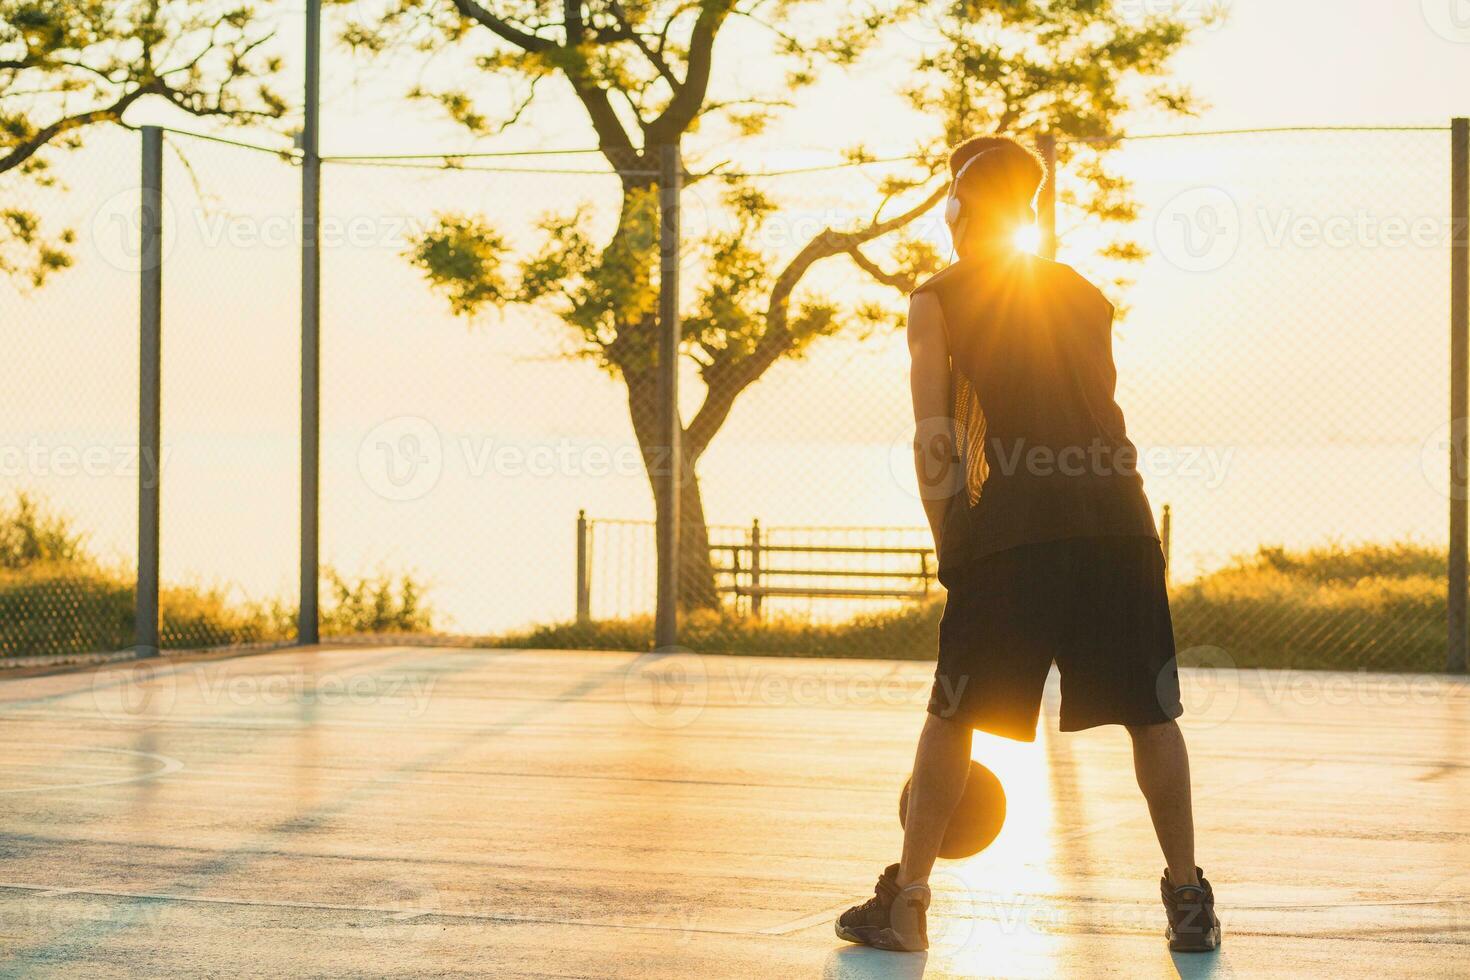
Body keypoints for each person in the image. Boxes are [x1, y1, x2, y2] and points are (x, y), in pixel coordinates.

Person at [835, 135, 1220, 954]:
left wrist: (952, 545)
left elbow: (933, 441)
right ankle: (1188, 901)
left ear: (959, 208)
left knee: (953, 712)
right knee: (1152, 715)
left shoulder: (937, 296)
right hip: (1120, 526)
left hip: (1012, 536)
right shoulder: (1085, 294)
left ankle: (906, 904)